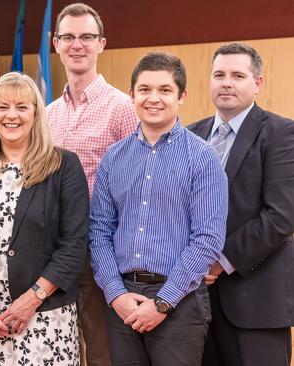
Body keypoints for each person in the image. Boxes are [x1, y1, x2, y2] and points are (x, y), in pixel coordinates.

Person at [89, 52, 228, 366]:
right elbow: (99, 231)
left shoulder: (203, 157)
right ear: (132, 95)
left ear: (181, 96)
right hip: (121, 301)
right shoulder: (113, 158)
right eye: (145, 89)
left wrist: (163, 302)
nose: (154, 98)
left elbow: (208, 239)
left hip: (180, 302)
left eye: (165, 90)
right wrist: (115, 293)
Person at [0, 72, 89, 365]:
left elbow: (74, 244)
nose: (12, 115)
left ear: (36, 113)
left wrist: (31, 300)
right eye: (3, 107)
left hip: (47, 318)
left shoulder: (64, 166)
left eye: (22, 107)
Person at [188, 43, 294, 366]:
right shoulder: (191, 135)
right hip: (196, 303)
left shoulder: (281, 134)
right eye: (219, 74)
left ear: (257, 83)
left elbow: (281, 216)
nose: (226, 83)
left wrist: (219, 261)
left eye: (237, 75)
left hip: (256, 302)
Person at [47, 4, 137, 365]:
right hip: (53, 250)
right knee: (59, 350)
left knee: (102, 353)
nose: (77, 45)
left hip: (102, 252)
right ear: (55, 44)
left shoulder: (122, 108)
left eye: (86, 37)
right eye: (68, 37)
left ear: (101, 44)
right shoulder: (47, 114)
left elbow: (137, 186)